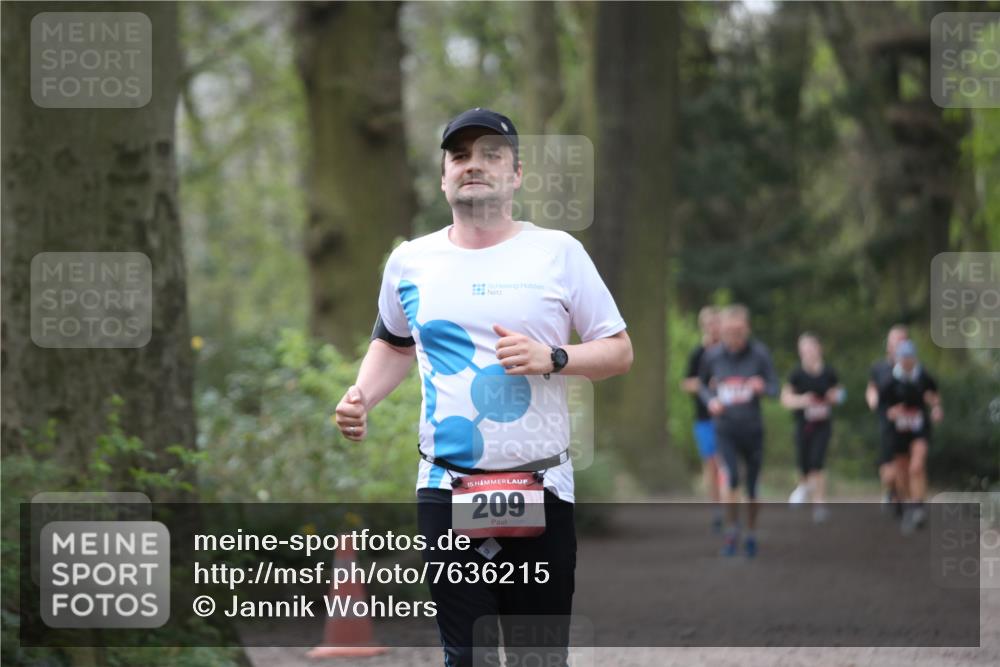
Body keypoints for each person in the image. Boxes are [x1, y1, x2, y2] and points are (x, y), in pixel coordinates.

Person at [334, 108, 632, 667]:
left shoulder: (558, 252)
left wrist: (553, 357)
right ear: (444, 176)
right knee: (465, 657)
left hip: (541, 487)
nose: (475, 166)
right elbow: (395, 344)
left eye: (491, 155)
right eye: (460, 156)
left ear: (516, 175)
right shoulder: (410, 261)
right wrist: (361, 396)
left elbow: (618, 351)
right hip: (447, 486)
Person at [698, 304, 778, 558]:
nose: (735, 336)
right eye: (730, 331)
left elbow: (775, 388)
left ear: (747, 329)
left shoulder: (760, 355)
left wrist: (761, 387)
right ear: (722, 331)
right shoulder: (713, 356)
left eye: (739, 331)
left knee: (752, 487)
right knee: (731, 478)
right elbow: (701, 384)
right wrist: (711, 399)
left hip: (752, 429)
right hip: (726, 429)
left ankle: (751, 532)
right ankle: (732, 530)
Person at [878, 339, 943, 533]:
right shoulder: (889, 381)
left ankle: (918, 507)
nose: (907, 362)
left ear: (914, 358)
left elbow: (934, 394)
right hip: (897, 433)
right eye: (903, 358)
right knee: (901, 472)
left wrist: (936, 408)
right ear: (898, 359)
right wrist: (893, 412)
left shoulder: (923, 376)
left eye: (910, 358)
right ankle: (908, 505)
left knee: (917, 466)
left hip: (918, 429)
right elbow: (883, 411)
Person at [780, 333, 844, 523]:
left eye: (810, 349)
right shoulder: (796, 375)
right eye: (803, 351)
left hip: (823, 425)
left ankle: (819, 503)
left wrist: (835, 397)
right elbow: (785, 399)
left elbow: (841, 394)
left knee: (817, 462)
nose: (807, 353)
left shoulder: (829, 372)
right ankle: (803, 488)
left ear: (818, 349)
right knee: (804, 464)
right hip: (803, 425)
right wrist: (803, 400)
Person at [681, 306, 724, 531]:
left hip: (729, 417)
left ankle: (731, 505)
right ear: (703, 326)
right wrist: (702, 385)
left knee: (726, 462)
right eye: (709, 324)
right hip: (704, 416)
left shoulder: (729, 351)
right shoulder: (698, 353)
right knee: (711, 464)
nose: (713, 328)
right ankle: (716, 509)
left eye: (716, 323)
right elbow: (686, 382)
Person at [866, 324, 909, 513]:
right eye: (895, 341)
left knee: (906, 465)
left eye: (902, 340)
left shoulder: (913, 367)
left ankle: (903, 501)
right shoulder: (879, 367)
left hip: (909, 425)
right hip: (887, 423)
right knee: (888, 473)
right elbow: (872, 388)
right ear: (888, 344)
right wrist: (872, 399)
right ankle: (892, 491)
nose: (898, 344)